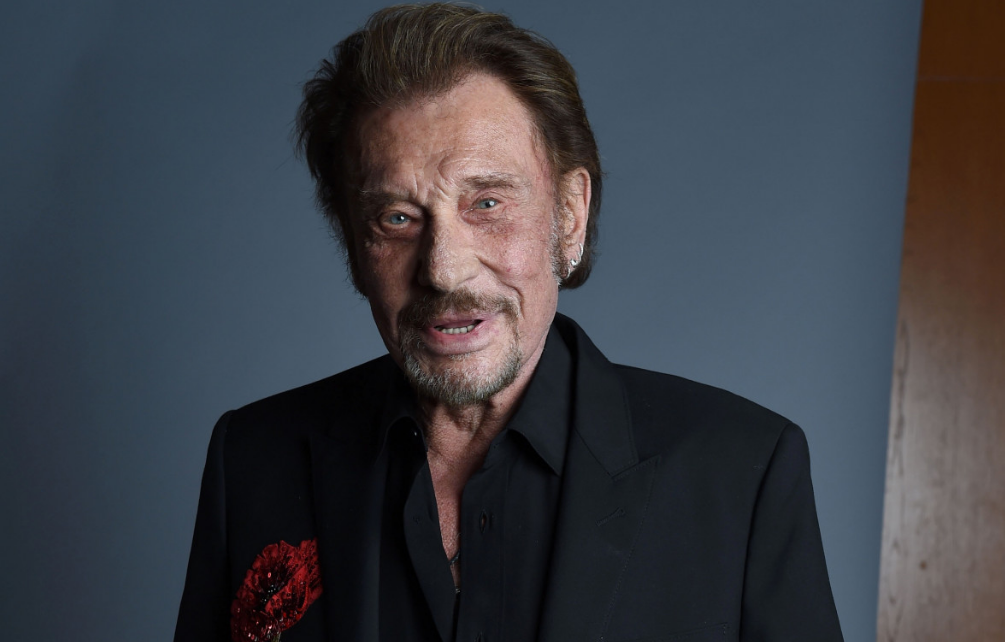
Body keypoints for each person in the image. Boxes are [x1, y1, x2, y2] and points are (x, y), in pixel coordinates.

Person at [175, 4, 844, 641]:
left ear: (569, 216)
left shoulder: (741, 471)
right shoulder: (254, 459)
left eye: (487, 203)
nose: (443, 270)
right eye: (397, 218)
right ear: (353, 243)